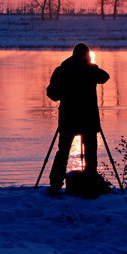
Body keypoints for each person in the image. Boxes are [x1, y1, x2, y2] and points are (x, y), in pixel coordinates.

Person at [47, 42, 109, 196]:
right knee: (90, 153)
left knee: (63, 152)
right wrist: (91, 66)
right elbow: (105, 76)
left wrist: (64, 95)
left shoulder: (62, 69)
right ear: (87, 55)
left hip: (68, 119)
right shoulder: (91, 69)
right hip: (88, 119)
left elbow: (51, 93)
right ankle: (89, 184)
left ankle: (55, 185)